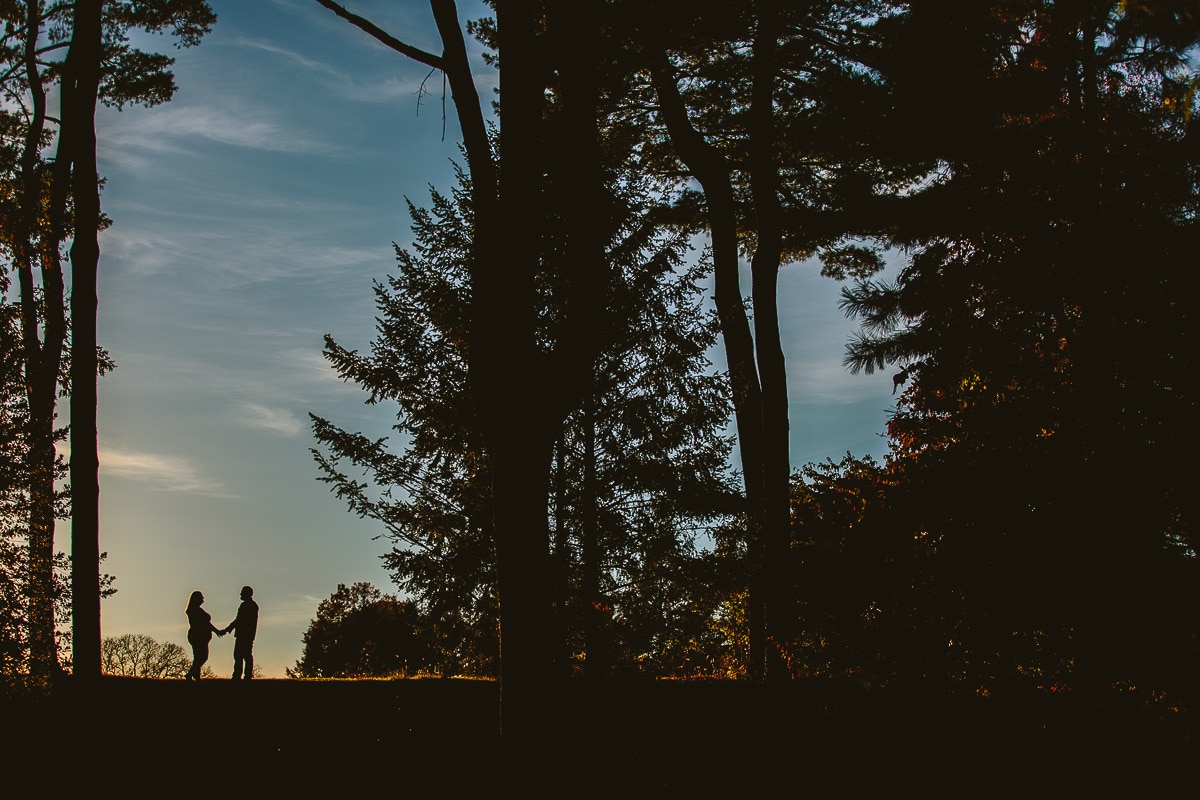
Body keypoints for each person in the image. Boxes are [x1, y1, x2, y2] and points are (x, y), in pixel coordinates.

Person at [184, 590, 223, 680]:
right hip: (198, 636)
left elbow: (207, 623)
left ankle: (196, 676)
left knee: (198, 657)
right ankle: (191, 674)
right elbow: (206, 623)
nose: (203, 599)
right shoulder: (195, 610)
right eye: (201, 597)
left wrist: (217, 631)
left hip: (200, 636)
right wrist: (217, 631)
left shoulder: (196, 609)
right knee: (202, 657)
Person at [222, 585, 259, 680]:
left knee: (242, 655)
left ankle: (240, 675)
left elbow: (239, 620)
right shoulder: (251, 605)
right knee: (242, 655)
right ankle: (243, 675)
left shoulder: (247, 606)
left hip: (244, 634)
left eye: (242, 592)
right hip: (247, 634)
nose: (240, 594)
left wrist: (227, 629)